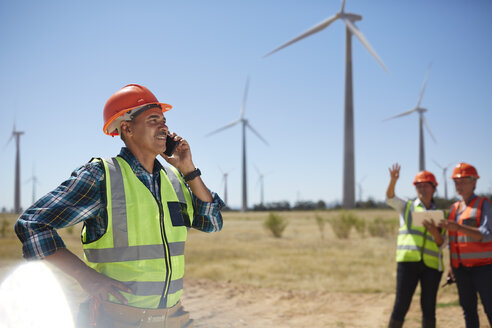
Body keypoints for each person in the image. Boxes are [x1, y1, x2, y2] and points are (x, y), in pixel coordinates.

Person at [15, 84, 225, 328]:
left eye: (164, 121)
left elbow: (212, 223)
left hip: (174, 318)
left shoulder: (176, 179)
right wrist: (85, 277)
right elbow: (32, 224)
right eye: (154, 120)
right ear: (127, 128)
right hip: (117, 320)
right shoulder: (101, 176)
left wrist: (189, 170)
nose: (164, 127)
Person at [386, 163, 445, 328]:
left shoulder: (441, 214)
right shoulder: (407, 206)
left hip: (431, 267)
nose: (422, 189)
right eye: (419, 186)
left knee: (429, 308)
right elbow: (390, 197)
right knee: (401, 305)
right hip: (408, 263)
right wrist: (393, 181)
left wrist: (434, 231)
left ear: (434, 188)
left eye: (426, 185)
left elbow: (442, 243)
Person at [438, 163, 492, 328]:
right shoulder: (454, 208)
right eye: (456, 182)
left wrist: (460, 227)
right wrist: (451, 266)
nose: (458, 185)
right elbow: (453, 241)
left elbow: (488, 234)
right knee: (468, 311)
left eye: (463, 181)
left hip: (484, 269)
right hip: (461, 270)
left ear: (474, 182)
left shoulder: (484, 204)